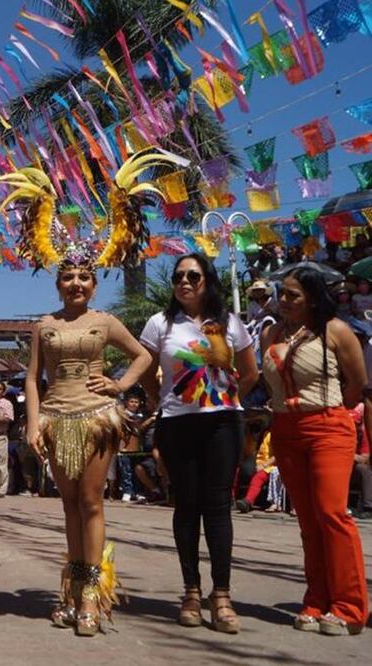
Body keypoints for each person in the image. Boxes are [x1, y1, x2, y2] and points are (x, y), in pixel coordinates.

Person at [24, 256, 152, 636]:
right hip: (56, 419)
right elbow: (32, 378)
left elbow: (143, 355)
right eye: (67, 278)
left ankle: (92, 594)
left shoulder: (105, 321)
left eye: (84, 277)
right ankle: (73, 589)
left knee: (91, 502)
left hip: (96, 418)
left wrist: (121, 385)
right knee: (69, 504)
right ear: (58, 285)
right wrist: (33, 423)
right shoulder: (43, 325)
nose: (75, 283)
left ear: (94, 285)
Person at [140, 253, 259, 634]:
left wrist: (227, 398)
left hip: (223, 423)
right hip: (177, 424)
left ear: (207, 279)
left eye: (193, 275)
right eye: (178, 276)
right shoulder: (160, 323)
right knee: (186, 507)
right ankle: (191, 591)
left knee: (218, 507)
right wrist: (160, 399)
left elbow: (251, 371)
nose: (184, 282)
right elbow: (145, 367)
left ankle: (221, 595)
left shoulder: (229, 322)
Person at [261, 266, 369, 635]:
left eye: (293, 295)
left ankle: (350, 607)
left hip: (328, 426)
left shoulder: (336, 330)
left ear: (312, 297)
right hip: (284, 429)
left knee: (332, 514)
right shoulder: (271, 333)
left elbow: (357, 386)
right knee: (307, 521)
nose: (284, 300)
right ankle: (316, 600)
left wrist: (333, 414)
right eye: (282, 293)